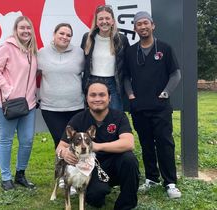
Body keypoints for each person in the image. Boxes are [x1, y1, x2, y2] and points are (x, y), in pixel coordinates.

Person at [123, 11, 182, 199]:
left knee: (165, 144)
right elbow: (125, 76)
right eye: (138, 24)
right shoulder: (131, 52)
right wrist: (131, 95)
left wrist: (165, 93)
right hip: (139, 107)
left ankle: (170, 182)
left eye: (145, 23)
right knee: (146, 144)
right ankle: (151, 178)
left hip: (161, 107)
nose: (142, 26)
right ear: (134, 28)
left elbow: (175, 74)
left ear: (152, 25)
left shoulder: (164, 48)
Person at [56, 80, 139, 210]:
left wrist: (98, 146)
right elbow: (60, 146)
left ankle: (126, 204)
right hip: (90, 167)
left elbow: (129, 143)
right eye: (93, 95)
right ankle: (100, 188)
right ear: (87, 98)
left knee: (130, 159)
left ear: (109, 98)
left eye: (102, 95)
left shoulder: (119, 117)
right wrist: (64, 153)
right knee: (95, 198)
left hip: (115, 162)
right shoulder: (78, 119)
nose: (97, 99)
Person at [0, 16, 38, 191]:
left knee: (27, 140)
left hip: (28, 105)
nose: (26, 31)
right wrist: (8, 90)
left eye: (28, 28)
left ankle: (20, 175)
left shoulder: (32, 49)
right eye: (22, 28)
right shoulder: (7, 47)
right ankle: (5, 178)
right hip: (8, 104)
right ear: (16, 30)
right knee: (6, 140)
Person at [37, 23, 85, 150]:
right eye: (61, 33)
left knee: (76, 142)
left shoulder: (79, 53)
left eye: (68, 35)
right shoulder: (41, 53)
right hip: (51, 109)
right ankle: (62, 170)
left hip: (76, 107)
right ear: (54, 34)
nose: (65, 37)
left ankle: (77, 169)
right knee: (60, 142)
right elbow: (30, 74)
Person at [80, 5, 129, 111]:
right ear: (96, 22)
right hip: (92, 82)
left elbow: (126, 67)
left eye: (107, 18)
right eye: (101, 19)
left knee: (115, 118)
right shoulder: (87, 38)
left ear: (112, 21)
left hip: (114, 84)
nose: (104, 21)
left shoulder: (122, 39)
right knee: (92, 119)